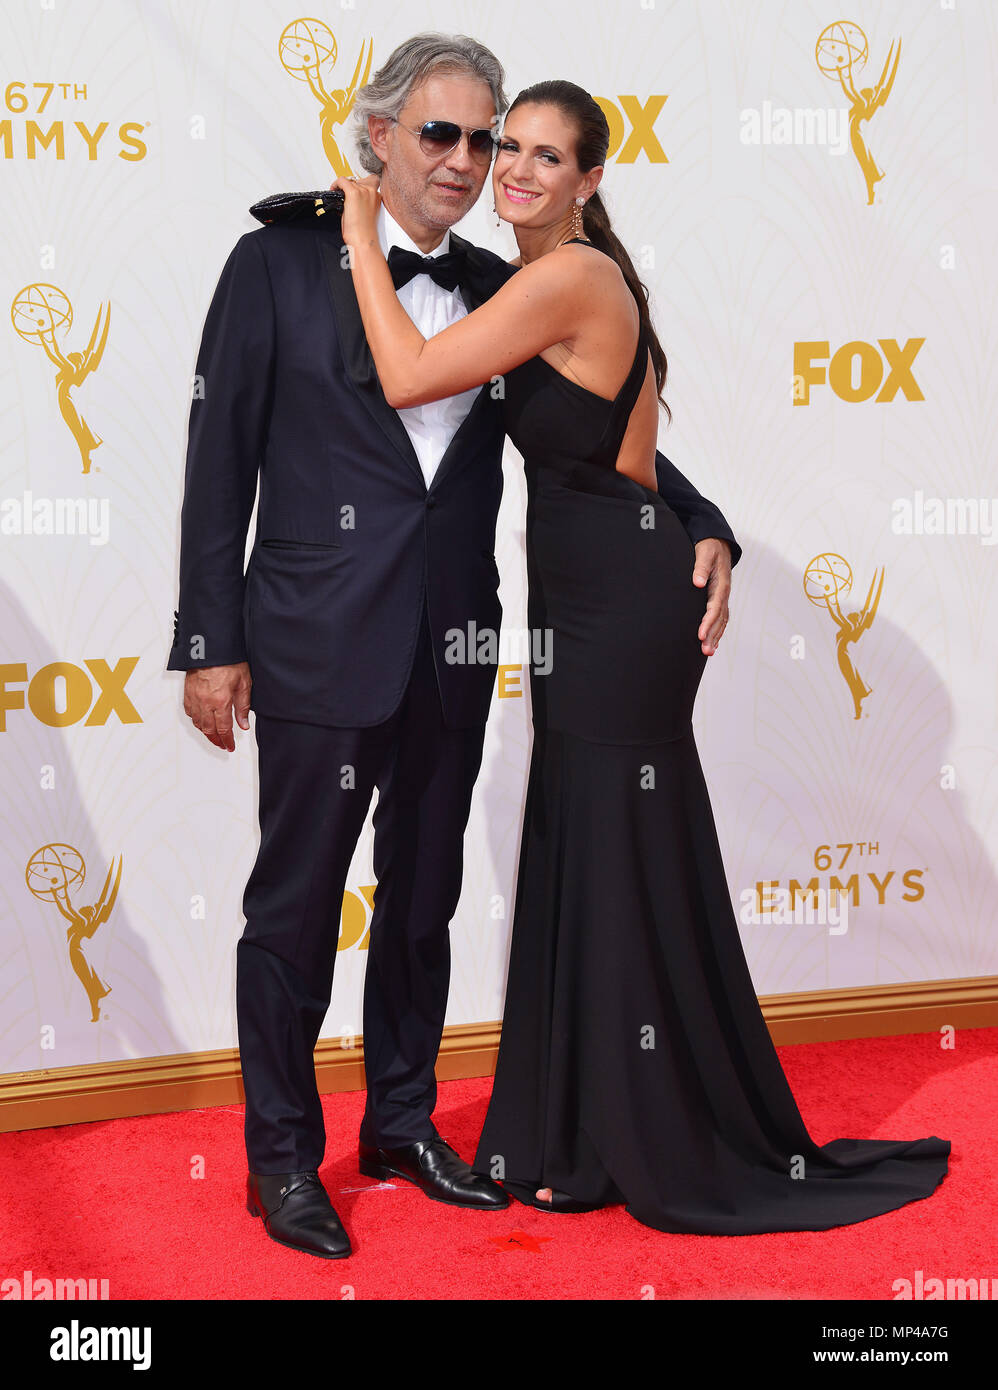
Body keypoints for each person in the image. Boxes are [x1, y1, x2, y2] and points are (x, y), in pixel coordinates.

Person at [330, 79, 951, 1233]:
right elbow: (633, 453)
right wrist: (706, 520)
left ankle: (628, 1132)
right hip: (597, 596)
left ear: (588, 179)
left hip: (616, 611)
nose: (511, 169)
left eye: (542, 156)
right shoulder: (563, 277)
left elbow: (413, 374)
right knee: (588, 844)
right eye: (504, 145)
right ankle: (580, 1127)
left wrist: (361, 236)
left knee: (609, 851)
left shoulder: (570, 275)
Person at [167, 37, 740, 1259]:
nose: (468, 161)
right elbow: (218, 463)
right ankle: (281, 1158)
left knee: (420, 900)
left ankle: (401, 1122)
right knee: (294, 910)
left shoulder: (503, 284)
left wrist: (702, 519)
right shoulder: (273, 261)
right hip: (316, 640)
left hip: (454, 641)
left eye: (487, 139)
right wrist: (209, 639)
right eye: (443, 134)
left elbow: (607, 425)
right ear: (377, 136)